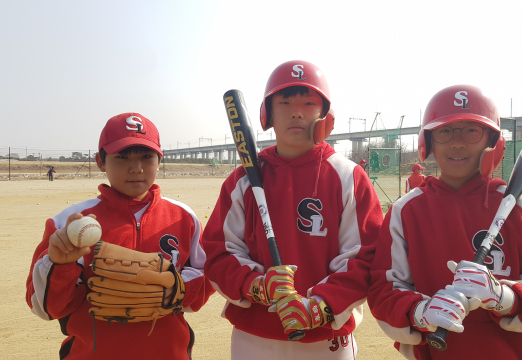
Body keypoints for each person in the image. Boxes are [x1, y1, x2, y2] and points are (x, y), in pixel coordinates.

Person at [367, 85, 522, 360]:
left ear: (493, 140)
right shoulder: (406, 211)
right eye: (445, 131)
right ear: (427, 142)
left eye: (471, 130)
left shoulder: (519, 207)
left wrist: (502, 297)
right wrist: (423, 311)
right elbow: (384, 293)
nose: (457, 142)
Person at [203, 60, 383, 360]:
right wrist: (256, 285)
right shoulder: (243, 180)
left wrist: (320, 305)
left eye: (309, 102)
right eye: (284, 102)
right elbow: (217, 252)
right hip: (255, 336)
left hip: (325, 338)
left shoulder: (347, 175)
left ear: (325, 112)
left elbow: (366, 256)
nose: (296, 111)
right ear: (268, 114)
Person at [26, 113, 215, 359]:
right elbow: (44, 308)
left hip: (169, 352)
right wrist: (60, 265)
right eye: (122, 157)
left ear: (160, 160)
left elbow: (207, 277)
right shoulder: (68, 223)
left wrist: (176, 289)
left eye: (146, 157)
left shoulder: (183, 217)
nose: (136, 168)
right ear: (100, 161)